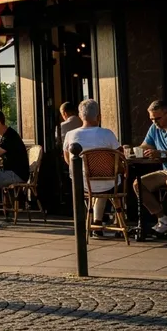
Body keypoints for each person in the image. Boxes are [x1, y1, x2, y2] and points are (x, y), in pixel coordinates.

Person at [62, 99, 121, 235]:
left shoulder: (71, 135)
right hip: (108, 181)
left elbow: (67, 158)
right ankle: (113, 221)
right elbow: (119, 156)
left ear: (80, 116)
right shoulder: (107, 133)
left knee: (96, 183)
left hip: (82, 182)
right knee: (107, 181)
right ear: (99, 117)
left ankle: (97, 222)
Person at [134, 100, 167, 240]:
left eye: (158, 118)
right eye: (152, 119)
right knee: (138, 184)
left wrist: (162, 154)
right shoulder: (154, 128)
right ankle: (163, 219)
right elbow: (146, 145)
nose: (155, 122)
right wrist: (135, 151)